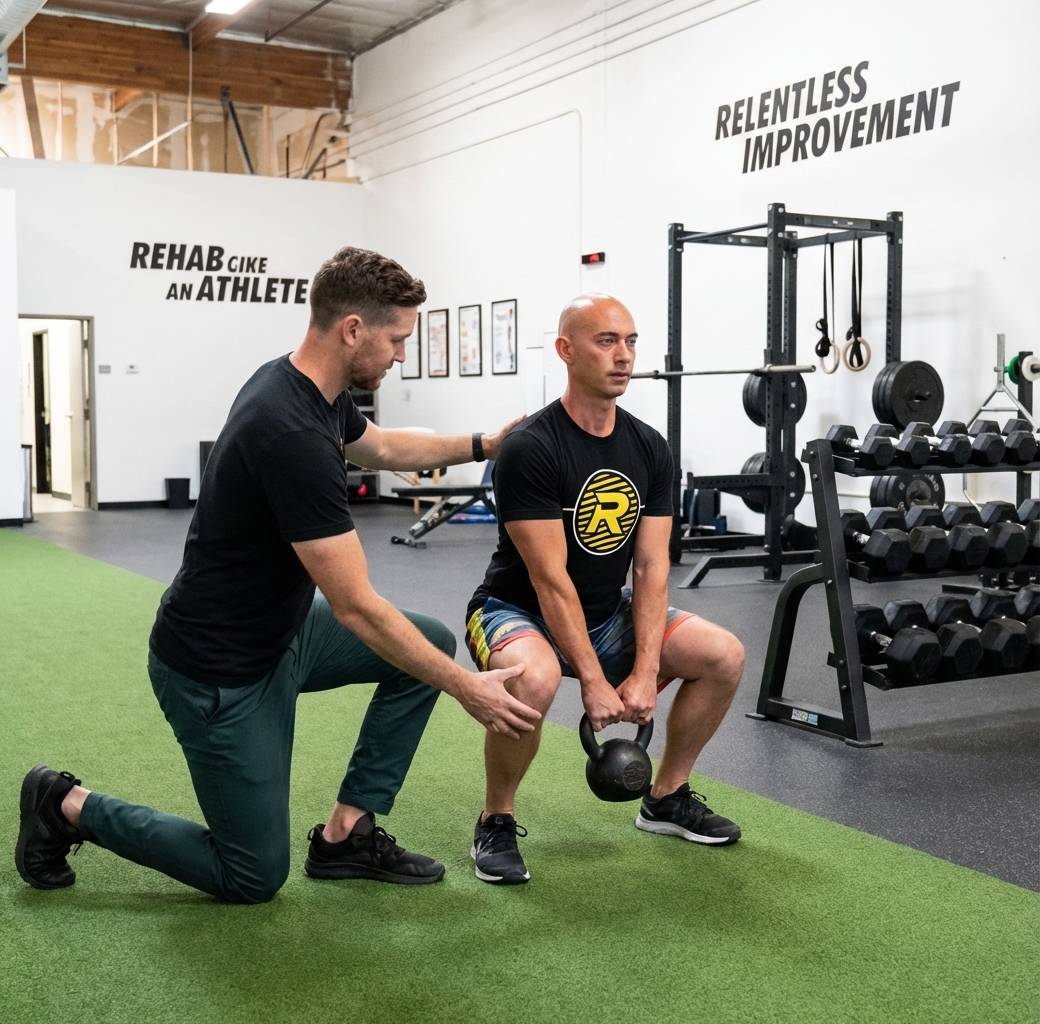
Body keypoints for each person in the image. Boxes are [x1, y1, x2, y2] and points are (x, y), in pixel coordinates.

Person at [15, 247, 540, 904]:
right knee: (251, 875)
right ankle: (64, 803)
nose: (402, 355)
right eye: (397, 339)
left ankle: (347, 834)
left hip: (283, 634)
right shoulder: (290, 433)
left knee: (425, 643)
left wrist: (485, 445)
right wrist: (471, 689)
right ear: (353, 329)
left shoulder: (306, 387)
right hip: (218, 672)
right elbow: (355, 606)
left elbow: (379, 447)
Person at [464, 294, 745, 885]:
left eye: (631, 341)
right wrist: (592, 681)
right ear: (566, 351)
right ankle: (496, 818)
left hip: (604, 612)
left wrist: (645, 671)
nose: (624, 356)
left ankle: (665, 798)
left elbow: (649, 569)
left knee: (722, 655)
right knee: (532, 679)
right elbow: (549, 579)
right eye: (606, 341)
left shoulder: (648, 447)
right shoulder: (531, 448)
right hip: (513, 610)